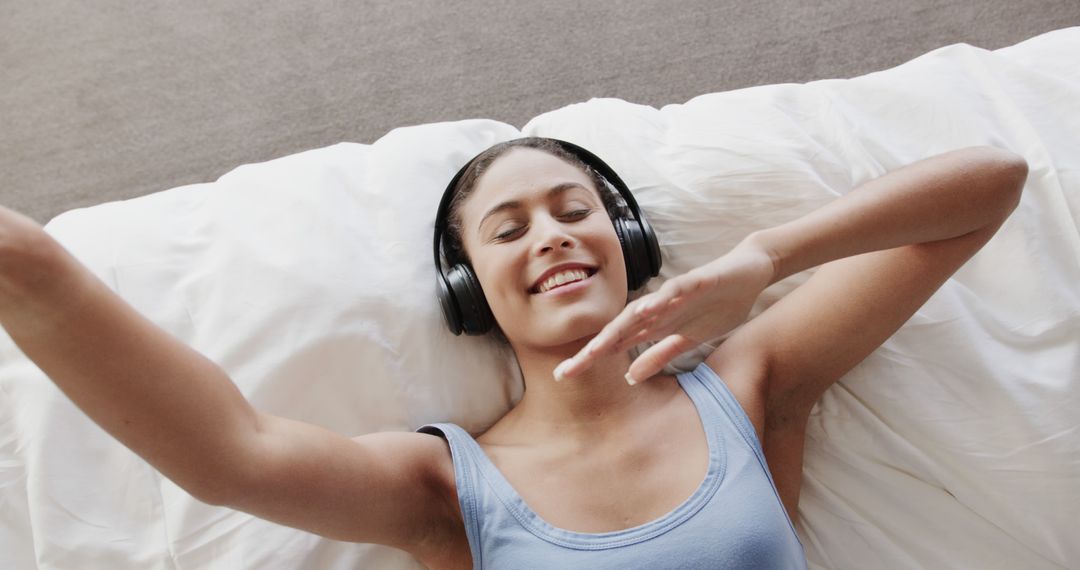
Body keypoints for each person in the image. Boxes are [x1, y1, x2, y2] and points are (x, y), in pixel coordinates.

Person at [0, 137, 1027, 569]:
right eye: (509, 229)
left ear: (627, 247)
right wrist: (32, 270)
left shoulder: (750, 383)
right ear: (468, 290)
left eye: (576, 212)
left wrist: (765, 257)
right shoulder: (450, 483)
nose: (552, 237)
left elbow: (992, 183)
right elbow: (232, 451)